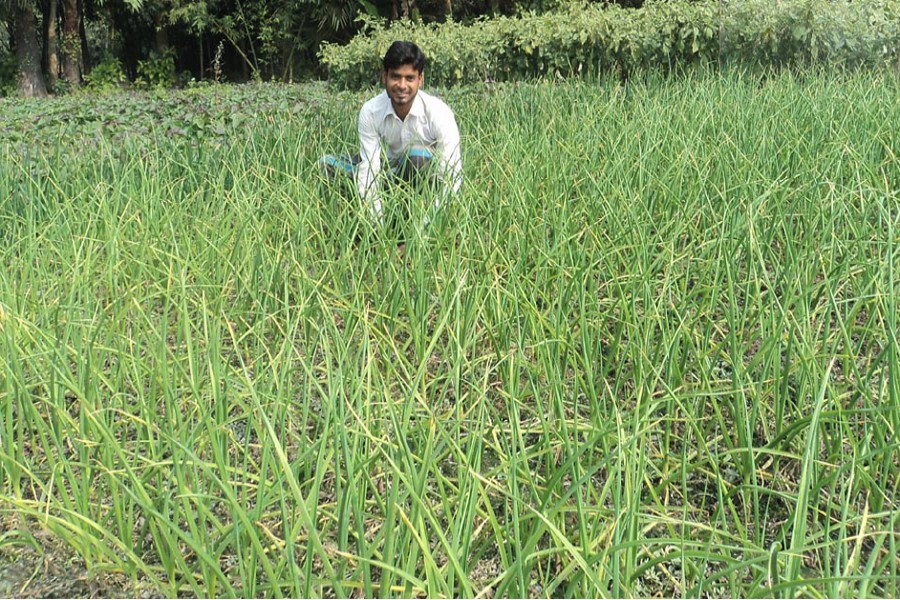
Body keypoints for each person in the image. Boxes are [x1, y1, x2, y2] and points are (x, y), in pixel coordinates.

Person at [320, 41, 462, 224]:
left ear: (420, 80)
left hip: (425, 183)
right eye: (395, 77)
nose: (402, 85)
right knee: (326, 166)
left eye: (410, 78)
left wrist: (423, 229)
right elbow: (369, 171)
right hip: (388, 173)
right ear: (384, 77)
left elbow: (452, 177)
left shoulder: (439, 113)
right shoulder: (371, 111)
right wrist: (378, 227)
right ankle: (346, 225)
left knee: (417, 158)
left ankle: (408, 222)